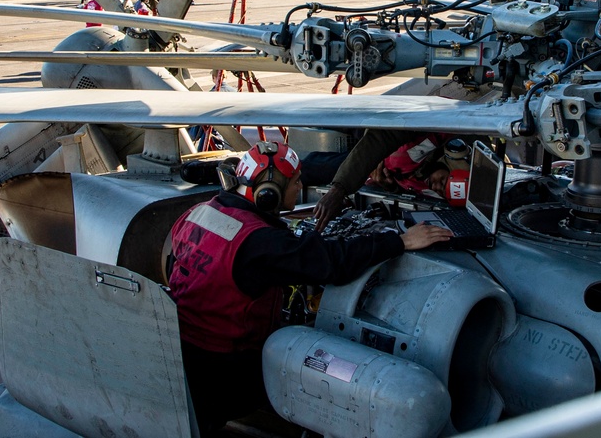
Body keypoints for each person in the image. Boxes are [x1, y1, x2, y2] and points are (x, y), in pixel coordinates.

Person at [169, 142, 450, 435]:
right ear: (269, 193)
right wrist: (400, 242)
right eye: (296, 182)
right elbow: (332, 264)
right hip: (227, 369)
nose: (301, 186)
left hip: (181, 351)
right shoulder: (260, 243)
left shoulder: (199, 212)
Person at [313, 130, 474, 230]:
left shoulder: (435, 190)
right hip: (367, 155)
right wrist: (339, 188)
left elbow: (409, 192)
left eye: (443, 193)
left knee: (312, 168)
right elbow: (384, 136)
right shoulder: (442, 128)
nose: (437, 187)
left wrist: (390, 187)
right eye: (443, 181)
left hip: (368, 177)